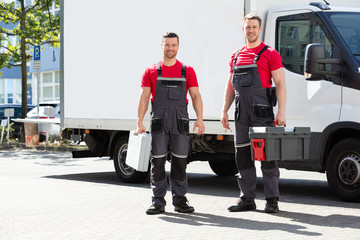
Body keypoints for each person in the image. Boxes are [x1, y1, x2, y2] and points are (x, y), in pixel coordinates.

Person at [221, 13, 286, 213]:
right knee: (242, 156)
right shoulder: (236, 55)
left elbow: (281, 84)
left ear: (259, 29)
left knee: (267, 156)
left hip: (262, 111)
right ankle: (247, 199)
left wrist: (281, 112)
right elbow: (231, 86)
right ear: (243, 29)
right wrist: (224, 110)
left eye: (254, 27)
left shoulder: (270, 53)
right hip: (241, 113)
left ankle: (272, 199)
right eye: (247, 27)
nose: (250, 30)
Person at [137, 32, 205, 215]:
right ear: (162, 46)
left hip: (180, 121)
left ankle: (180, 200)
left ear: (178, 46)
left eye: (173, 45)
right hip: (159, 121)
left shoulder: (187, 70)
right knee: (157, 161)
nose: (170, 48)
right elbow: (144, 97)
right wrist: (139, 121)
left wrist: (200, 118)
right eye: (167, 45)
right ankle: (158, 201)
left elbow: (196, 95)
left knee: (180, 161)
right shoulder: (151, 70)